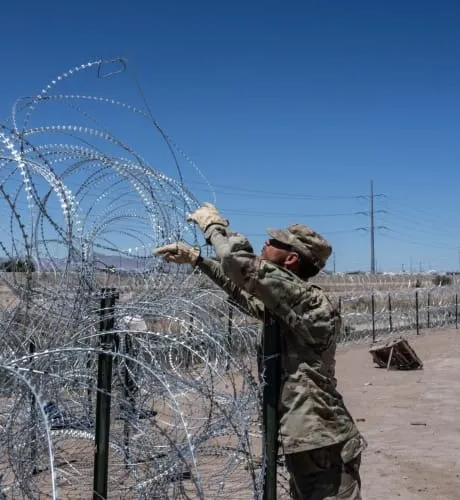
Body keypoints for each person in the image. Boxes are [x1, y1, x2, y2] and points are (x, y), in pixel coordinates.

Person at [153, 203, 366, 500]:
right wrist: (198, 260)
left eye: (275, 243)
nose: (266, 243)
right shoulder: (287, 305)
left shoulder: (310, 303)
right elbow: (241, 288)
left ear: (291, 259)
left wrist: (215, 227)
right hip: (307, 440)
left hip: (323, 440)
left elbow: (234, 262)